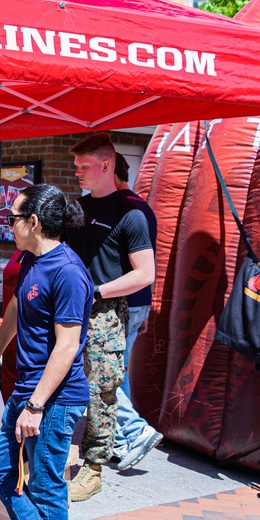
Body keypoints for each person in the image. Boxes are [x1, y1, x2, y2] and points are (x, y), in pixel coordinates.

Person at [0, 184, 91, 520]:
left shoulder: (69, 272)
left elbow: (68, 345)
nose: (10, 227)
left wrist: (35, 405)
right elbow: (18, 307)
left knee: (45, 483)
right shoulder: (30, 260)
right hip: (27, 390)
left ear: (33, 222)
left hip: (53, 398)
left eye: (13, 220)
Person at [64, 134, 155, 502]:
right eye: (76, 167)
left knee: (102, 390)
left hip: (104, 314)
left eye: (84, 167)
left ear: (105, 166)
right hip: (72, 310)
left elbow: (145, 273)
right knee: (68, 383)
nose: (78, 173)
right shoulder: (78, 209)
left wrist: (98, 292)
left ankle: (94, 467)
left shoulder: (130, 213)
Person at [111, 153, 163, 470]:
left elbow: (140, 266)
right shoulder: (144, 208)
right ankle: (122, 439)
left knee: (103, 374)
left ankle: (135, 431)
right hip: (138, 302)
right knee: (119, 371)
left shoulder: (124, 209)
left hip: (123, 304)